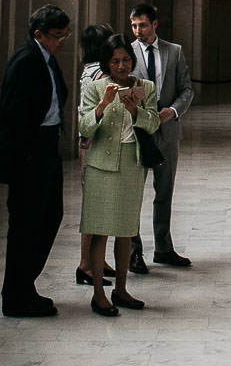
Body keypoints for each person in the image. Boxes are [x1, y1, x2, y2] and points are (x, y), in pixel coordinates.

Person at [0, 5, 71, 318]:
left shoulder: (45, 58)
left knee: (49, 216)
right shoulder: (26, 60)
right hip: (30, 154)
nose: (62, 41)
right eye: (57, 35)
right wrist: (23, 158)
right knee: (26, 224)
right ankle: (16, 296)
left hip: (47, 147)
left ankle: (24, 286)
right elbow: (12, 114)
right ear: (38, 34)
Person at [78, 34, 159, 316]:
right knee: (99, 231)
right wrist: (102, 106)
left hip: (131, 164)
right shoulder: (96, 88)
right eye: (115, 61)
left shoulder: (145, 87)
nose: (122, 66)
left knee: (125, 231)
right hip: (101, 164)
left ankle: (121, 289)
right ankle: (98, 293)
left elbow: (153, 124)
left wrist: (135, 110)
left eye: (126, 60)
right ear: (107, 63)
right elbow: (84, 128)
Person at [128, 2, 196, 271]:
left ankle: (163, 248)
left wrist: (174, 111)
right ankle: (134, 251)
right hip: (137, 133)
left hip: (167, 131)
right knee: (134, 193)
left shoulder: (174, 51)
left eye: (142, 25)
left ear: (155, 24)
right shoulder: (127, 53)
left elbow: (187, 89)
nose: (137, 31)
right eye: (133, 25)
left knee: (164, 191)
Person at [72, 23, 115, 286]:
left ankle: (97, 260)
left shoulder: (87, 70)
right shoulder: (99, 74)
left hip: (89, 142)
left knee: (101, 205)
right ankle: (86, 265)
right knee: (95, 206)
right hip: (97, 143)